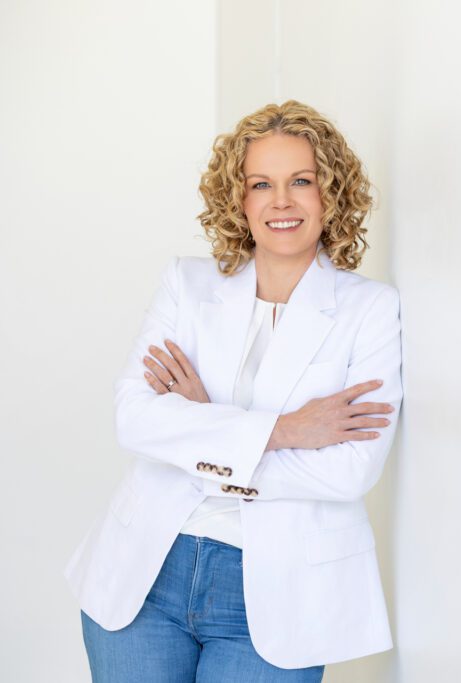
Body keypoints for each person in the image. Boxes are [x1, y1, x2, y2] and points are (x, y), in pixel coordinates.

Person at [63, 100, 403, 681]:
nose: (281, 201)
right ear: (238, 200)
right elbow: (135, 419)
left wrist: (201, 433)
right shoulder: (186, 285)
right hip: (145, 575)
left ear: (331, 191)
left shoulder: (370, 310)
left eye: (302, 180)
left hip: (277, 594)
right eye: (260, 184)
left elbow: (349, 471)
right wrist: (287, 431)